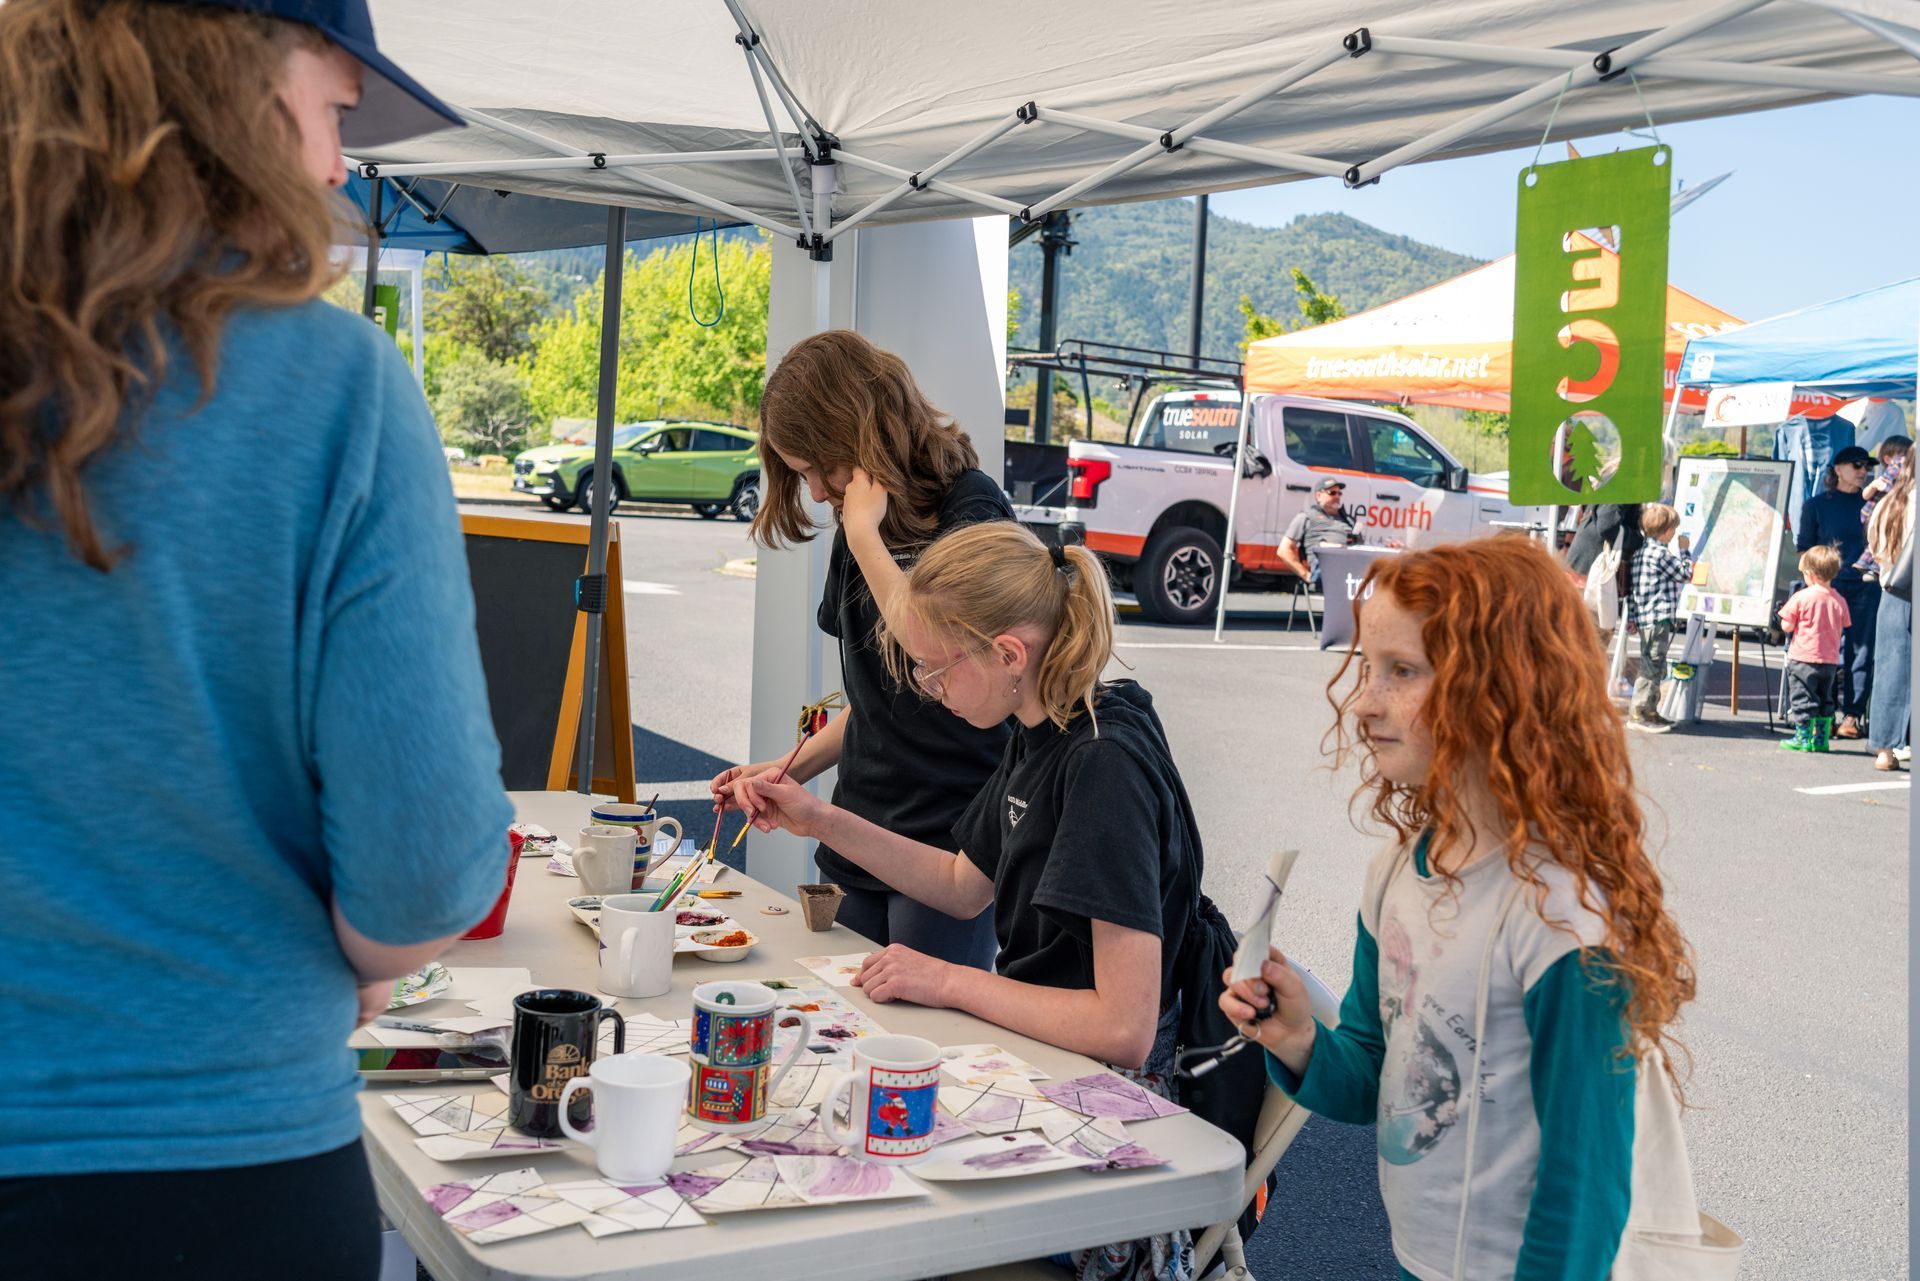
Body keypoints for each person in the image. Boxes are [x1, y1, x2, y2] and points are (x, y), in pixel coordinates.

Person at [0, 4, 512, 1278]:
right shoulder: (334, 387)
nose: (340, 164)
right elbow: (425, 879)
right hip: (210, 1168)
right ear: (222, 80)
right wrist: (378, 961)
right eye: (334, 105)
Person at [733, 522, 1210, 1281]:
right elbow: (963, 883)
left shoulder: (1100, 767)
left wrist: (949, 980)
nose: (927, 689)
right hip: (1045, 1067)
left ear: (1007, 654)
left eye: (934, 669)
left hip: (1102, 1125)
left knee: (858, 1189)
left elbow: (1122, 1028)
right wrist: (818, 816)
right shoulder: (1042, 723)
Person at [1220, 535, 1695, 1281]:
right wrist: (1300, 1039)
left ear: (1499, 687)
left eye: (1401, 671)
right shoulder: (1393, 875)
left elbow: (1587, 1186)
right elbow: (1381, 1078)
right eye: (1368, 668)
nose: (1365, 701)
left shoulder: (1562, 915)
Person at [711, 330, 1013, 971]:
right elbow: (876, 707)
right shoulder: (860, 526)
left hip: (947, 846)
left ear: (862, 433)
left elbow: (934, 648)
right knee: (836, 1027)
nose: (816, 492)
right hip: (859, 831)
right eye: (801, 476)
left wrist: (863, 535)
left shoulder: (972, 510)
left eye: (823, 469)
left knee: (922, 1048)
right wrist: (787, 769)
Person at [1797, 444, 1880, 738]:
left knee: (1862, 650)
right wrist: (1813, 586)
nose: (1863, 471)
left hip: (1865, 586)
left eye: (1867, 466)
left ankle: (1852, 716)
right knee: (1824, 652)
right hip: (1825, 589)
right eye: (1857, 465)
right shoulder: (1817, 504)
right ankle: (1824, 713)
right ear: (1837, 470)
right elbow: (1804, 549)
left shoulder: (1873, 505)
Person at [1777, 547, 1852, 753]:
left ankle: (1802, 736)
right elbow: (1845, 624)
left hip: (1803, 657)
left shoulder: (1803, 597)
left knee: (1802, 697)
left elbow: (1787, 625)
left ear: (1809, 574)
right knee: (1825, 698)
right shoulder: (1839, 600)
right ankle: (1821, 738)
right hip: (1829, 659)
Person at [1625, 504, 1692, 733]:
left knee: (1654, 663)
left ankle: (1650, 711)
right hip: (1659, 616)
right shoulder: (1660, 553)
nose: (1675, 533)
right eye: (1673, 528)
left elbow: (1634, 590)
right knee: (1652, 665)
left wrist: (1632, 617)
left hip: (1646, 617)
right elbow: (1685, 574)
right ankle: (1639, 712)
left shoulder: (1642, 552)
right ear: (1665, 530)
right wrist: (1684, 551)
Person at [1865, 468, 1914, 771]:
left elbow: (1874, 546)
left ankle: (1885, 751)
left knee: (1890, 672)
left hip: (1894, 589)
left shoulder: (1890, 502)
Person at [1277, 476, 1361, 584]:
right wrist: (1306, 575)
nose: (1337, 496)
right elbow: (1283, 550)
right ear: (1318, 495)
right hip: (1326, 569)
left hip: (1353, 568)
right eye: (1332, 493)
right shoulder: (1306, 517)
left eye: (1339, 493)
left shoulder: (1349, 520)